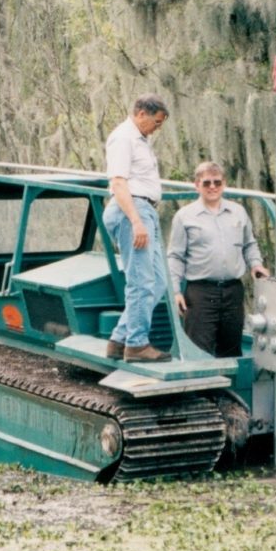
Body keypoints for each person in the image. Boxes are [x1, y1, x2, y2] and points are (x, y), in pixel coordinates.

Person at [168, 161, 269, 358]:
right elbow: (175, 256)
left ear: (224, 183)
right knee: (198, 351)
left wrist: (256, 264)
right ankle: (199, 390)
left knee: (231, 349)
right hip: (200, 293)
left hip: (233, 291)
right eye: (206, 183)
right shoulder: (184, 216)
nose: (212, 187)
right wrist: (175, 291)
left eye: (217, 182)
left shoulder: (238, 212)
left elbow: (249, 244)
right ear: (197, 185)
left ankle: (227, 389)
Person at [103, 94, 172, 363]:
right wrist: (135, 221)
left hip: (146, 211)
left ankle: (119, 339)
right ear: (141, 113)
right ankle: (137, 344)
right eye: (156, 122)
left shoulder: (140, 140)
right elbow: (119, 183)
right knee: (140, 281)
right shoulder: (124, 138)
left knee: (157, 281)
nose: (158, 127)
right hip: (131, 211)